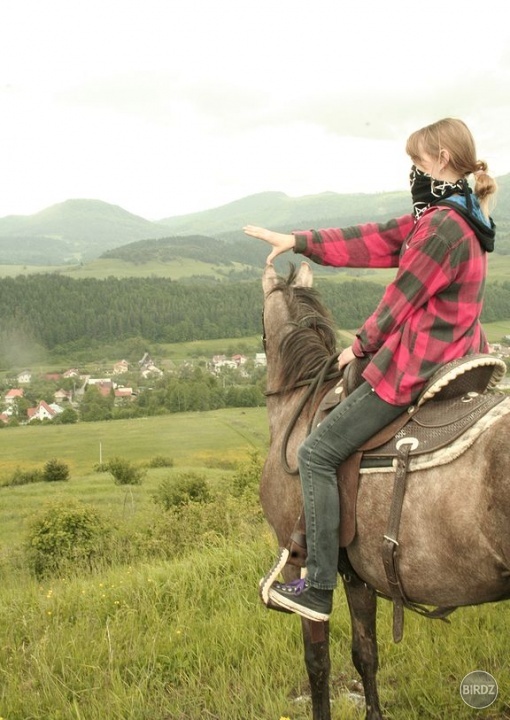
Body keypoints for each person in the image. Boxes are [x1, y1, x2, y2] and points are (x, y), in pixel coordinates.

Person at [244, 117, 497, 622]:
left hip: (419, 364)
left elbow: (402, 296)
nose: (413, 172)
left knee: (316, 451)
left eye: (417, 162)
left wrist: (359, 348)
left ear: (442, 160)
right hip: (463, 352)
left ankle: (316, 587)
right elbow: (375, 239)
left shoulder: (442, 226)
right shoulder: (454, 215)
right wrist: (298, 241)